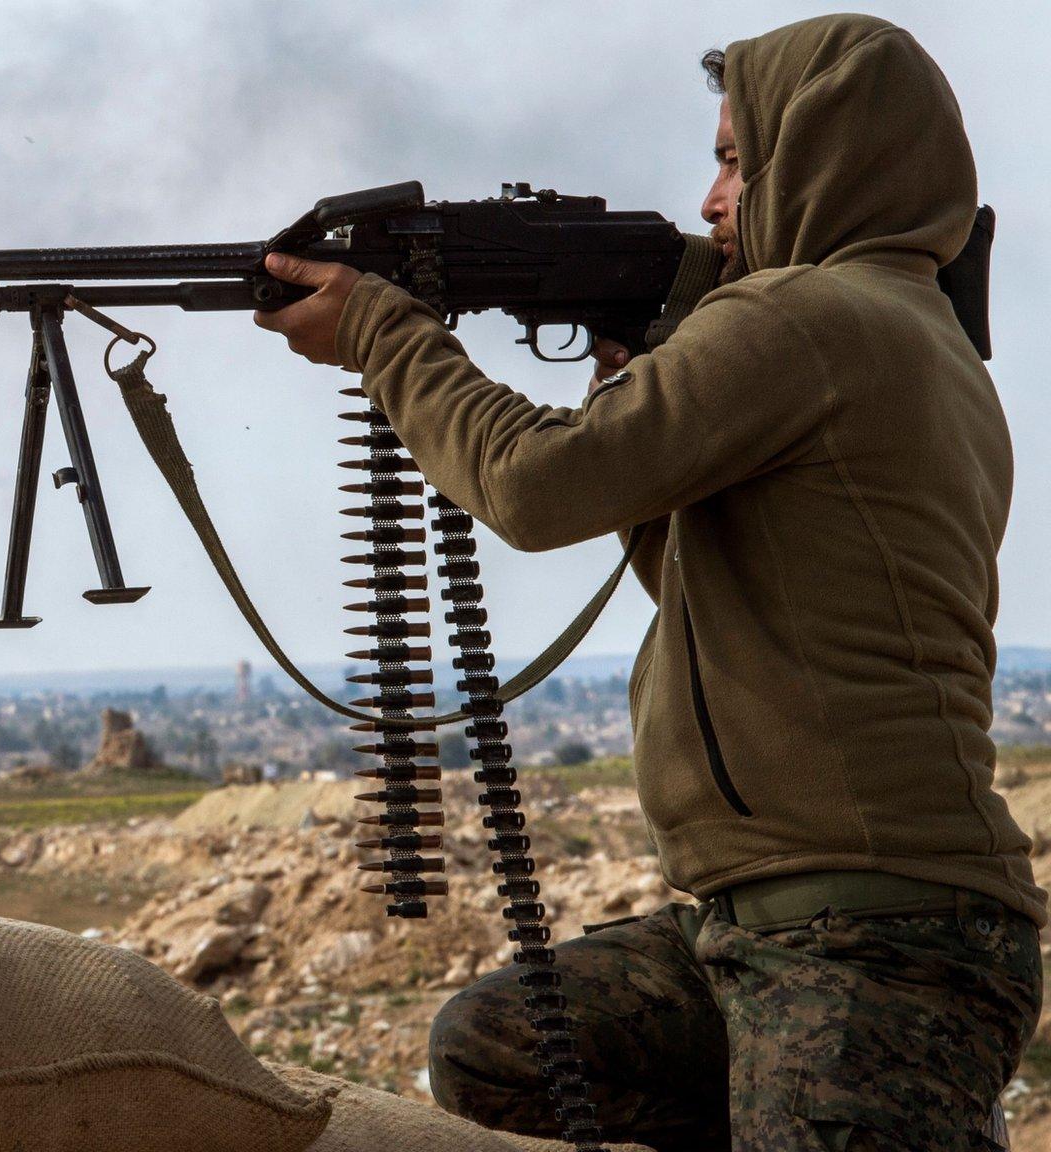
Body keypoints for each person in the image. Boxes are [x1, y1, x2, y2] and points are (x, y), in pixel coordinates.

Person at [254, 14, 1041, 1151]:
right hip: (764, 921)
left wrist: (388, 337)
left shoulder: (808, 318)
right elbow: (711, 579)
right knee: (502, 1049)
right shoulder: (898, 334)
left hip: (870, 930)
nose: (713, 202)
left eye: (735, 160)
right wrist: (649, 384)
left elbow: (529, 488)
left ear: (820, 157)